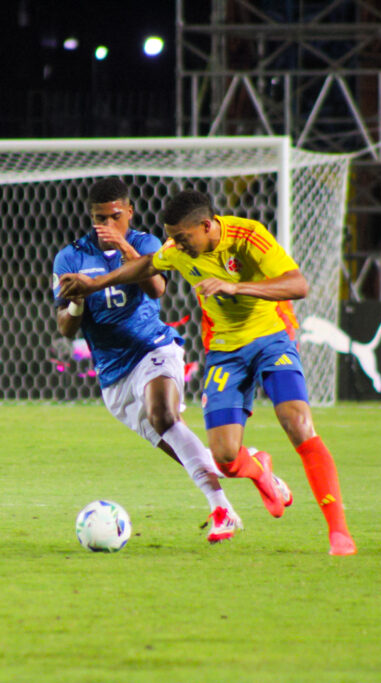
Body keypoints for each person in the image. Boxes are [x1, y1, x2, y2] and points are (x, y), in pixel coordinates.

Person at [60, 189, 356, 556]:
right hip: (224, 354)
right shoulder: (177, 249)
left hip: (271, 340)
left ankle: (339, 533)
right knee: (225, 458)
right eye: (173, 238)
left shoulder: (247, 236)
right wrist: (95, 284)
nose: (177, 246)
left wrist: (236, 286)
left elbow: (298, 285)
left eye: (183, 238)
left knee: (297, 423)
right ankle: (258, 467)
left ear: (205, 225)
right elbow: (148, 266)